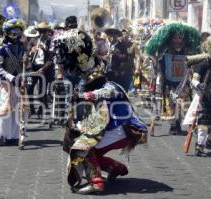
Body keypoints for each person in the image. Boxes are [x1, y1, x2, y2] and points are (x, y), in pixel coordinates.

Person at [58, 28, 148, 195]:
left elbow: (110, 91)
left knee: (84, 146)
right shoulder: (89, 80)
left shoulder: (106, 81)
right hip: (113, 128)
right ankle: (118, 168)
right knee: (89, 149)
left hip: (124, 128)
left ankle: (97, 182)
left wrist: (87, 94)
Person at [145, 23, 201, 134]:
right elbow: (157, 62)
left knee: (181, 104)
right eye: (175, 37)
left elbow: (194, 61)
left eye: (180, 37)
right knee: (170, 104)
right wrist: (155, 64)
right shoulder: (165, 49)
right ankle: (173, 125)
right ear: (171, 37)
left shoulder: (188, 49)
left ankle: (178, 123)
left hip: (183, 82)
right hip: (168, 81)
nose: (178, 39)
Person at [0, 18, 28, 146]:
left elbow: (26, 66)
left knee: (18, 110)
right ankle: (1, 135)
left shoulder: (22, 47)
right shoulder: (1, 48)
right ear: (7, 32)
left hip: (19, 84)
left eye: (18, 31)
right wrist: (11, 77)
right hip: (6, 84)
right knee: (5, 110)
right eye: (13, 31)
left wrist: (26, 66)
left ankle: (13, 135)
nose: (16, 34)